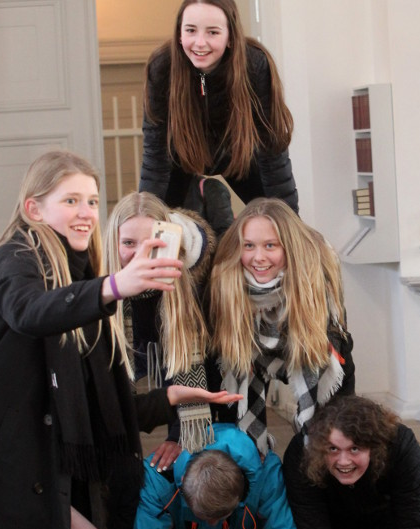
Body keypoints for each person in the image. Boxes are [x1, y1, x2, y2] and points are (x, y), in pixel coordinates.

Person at [0, 150, 241, 529]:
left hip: (38, 470)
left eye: (92, 201)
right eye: (71, 200)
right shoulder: (14, 258)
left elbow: (94, 406)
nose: (86, 212)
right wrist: (116, 286)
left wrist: (170, 397)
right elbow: (30, 311)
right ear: (34, 209)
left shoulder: (79, 279)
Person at [207, 198, 355, 455]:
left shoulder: (315, 278)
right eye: (249, 245)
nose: (258, 257)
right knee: (238, 446)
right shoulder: (225, 281)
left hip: (312, 349)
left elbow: (339, 345)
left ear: (289, 247)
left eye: (270, 245)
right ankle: (253, 459)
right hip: (246, 359)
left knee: (330, 438)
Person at [139, 0, 298, 217]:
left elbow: (272, 151)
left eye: (213, 32)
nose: (200, 43)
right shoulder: (162, 67)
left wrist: (290, 222)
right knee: (158, 221)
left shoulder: (255, 65)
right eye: (191, 30)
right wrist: (145, 218)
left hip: (240, 156)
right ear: (179, 34)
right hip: (181, 156)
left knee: (276, 216)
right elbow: (155, 156)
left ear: (231, 36)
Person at [104, 191, 218, 471]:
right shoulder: (100, 296)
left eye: (151, 242)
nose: (140, 254)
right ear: (112, 244)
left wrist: (179, 436)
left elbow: (190, 370)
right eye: (128, 243)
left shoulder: (189, 290)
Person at [282, 395, 420, 529]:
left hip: (384, 525)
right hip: (332, 526)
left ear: (374, 448)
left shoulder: (400, 446)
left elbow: (414, 527)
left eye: (354, 449)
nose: (343, 462)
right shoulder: (303, 453)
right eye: (333, 449)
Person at [132, 423, 298, 529]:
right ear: (182, 482)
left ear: (241, 490)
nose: (212, 524)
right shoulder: (158, 480)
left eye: (222, 516)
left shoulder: (267, 474)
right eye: (202, 516)